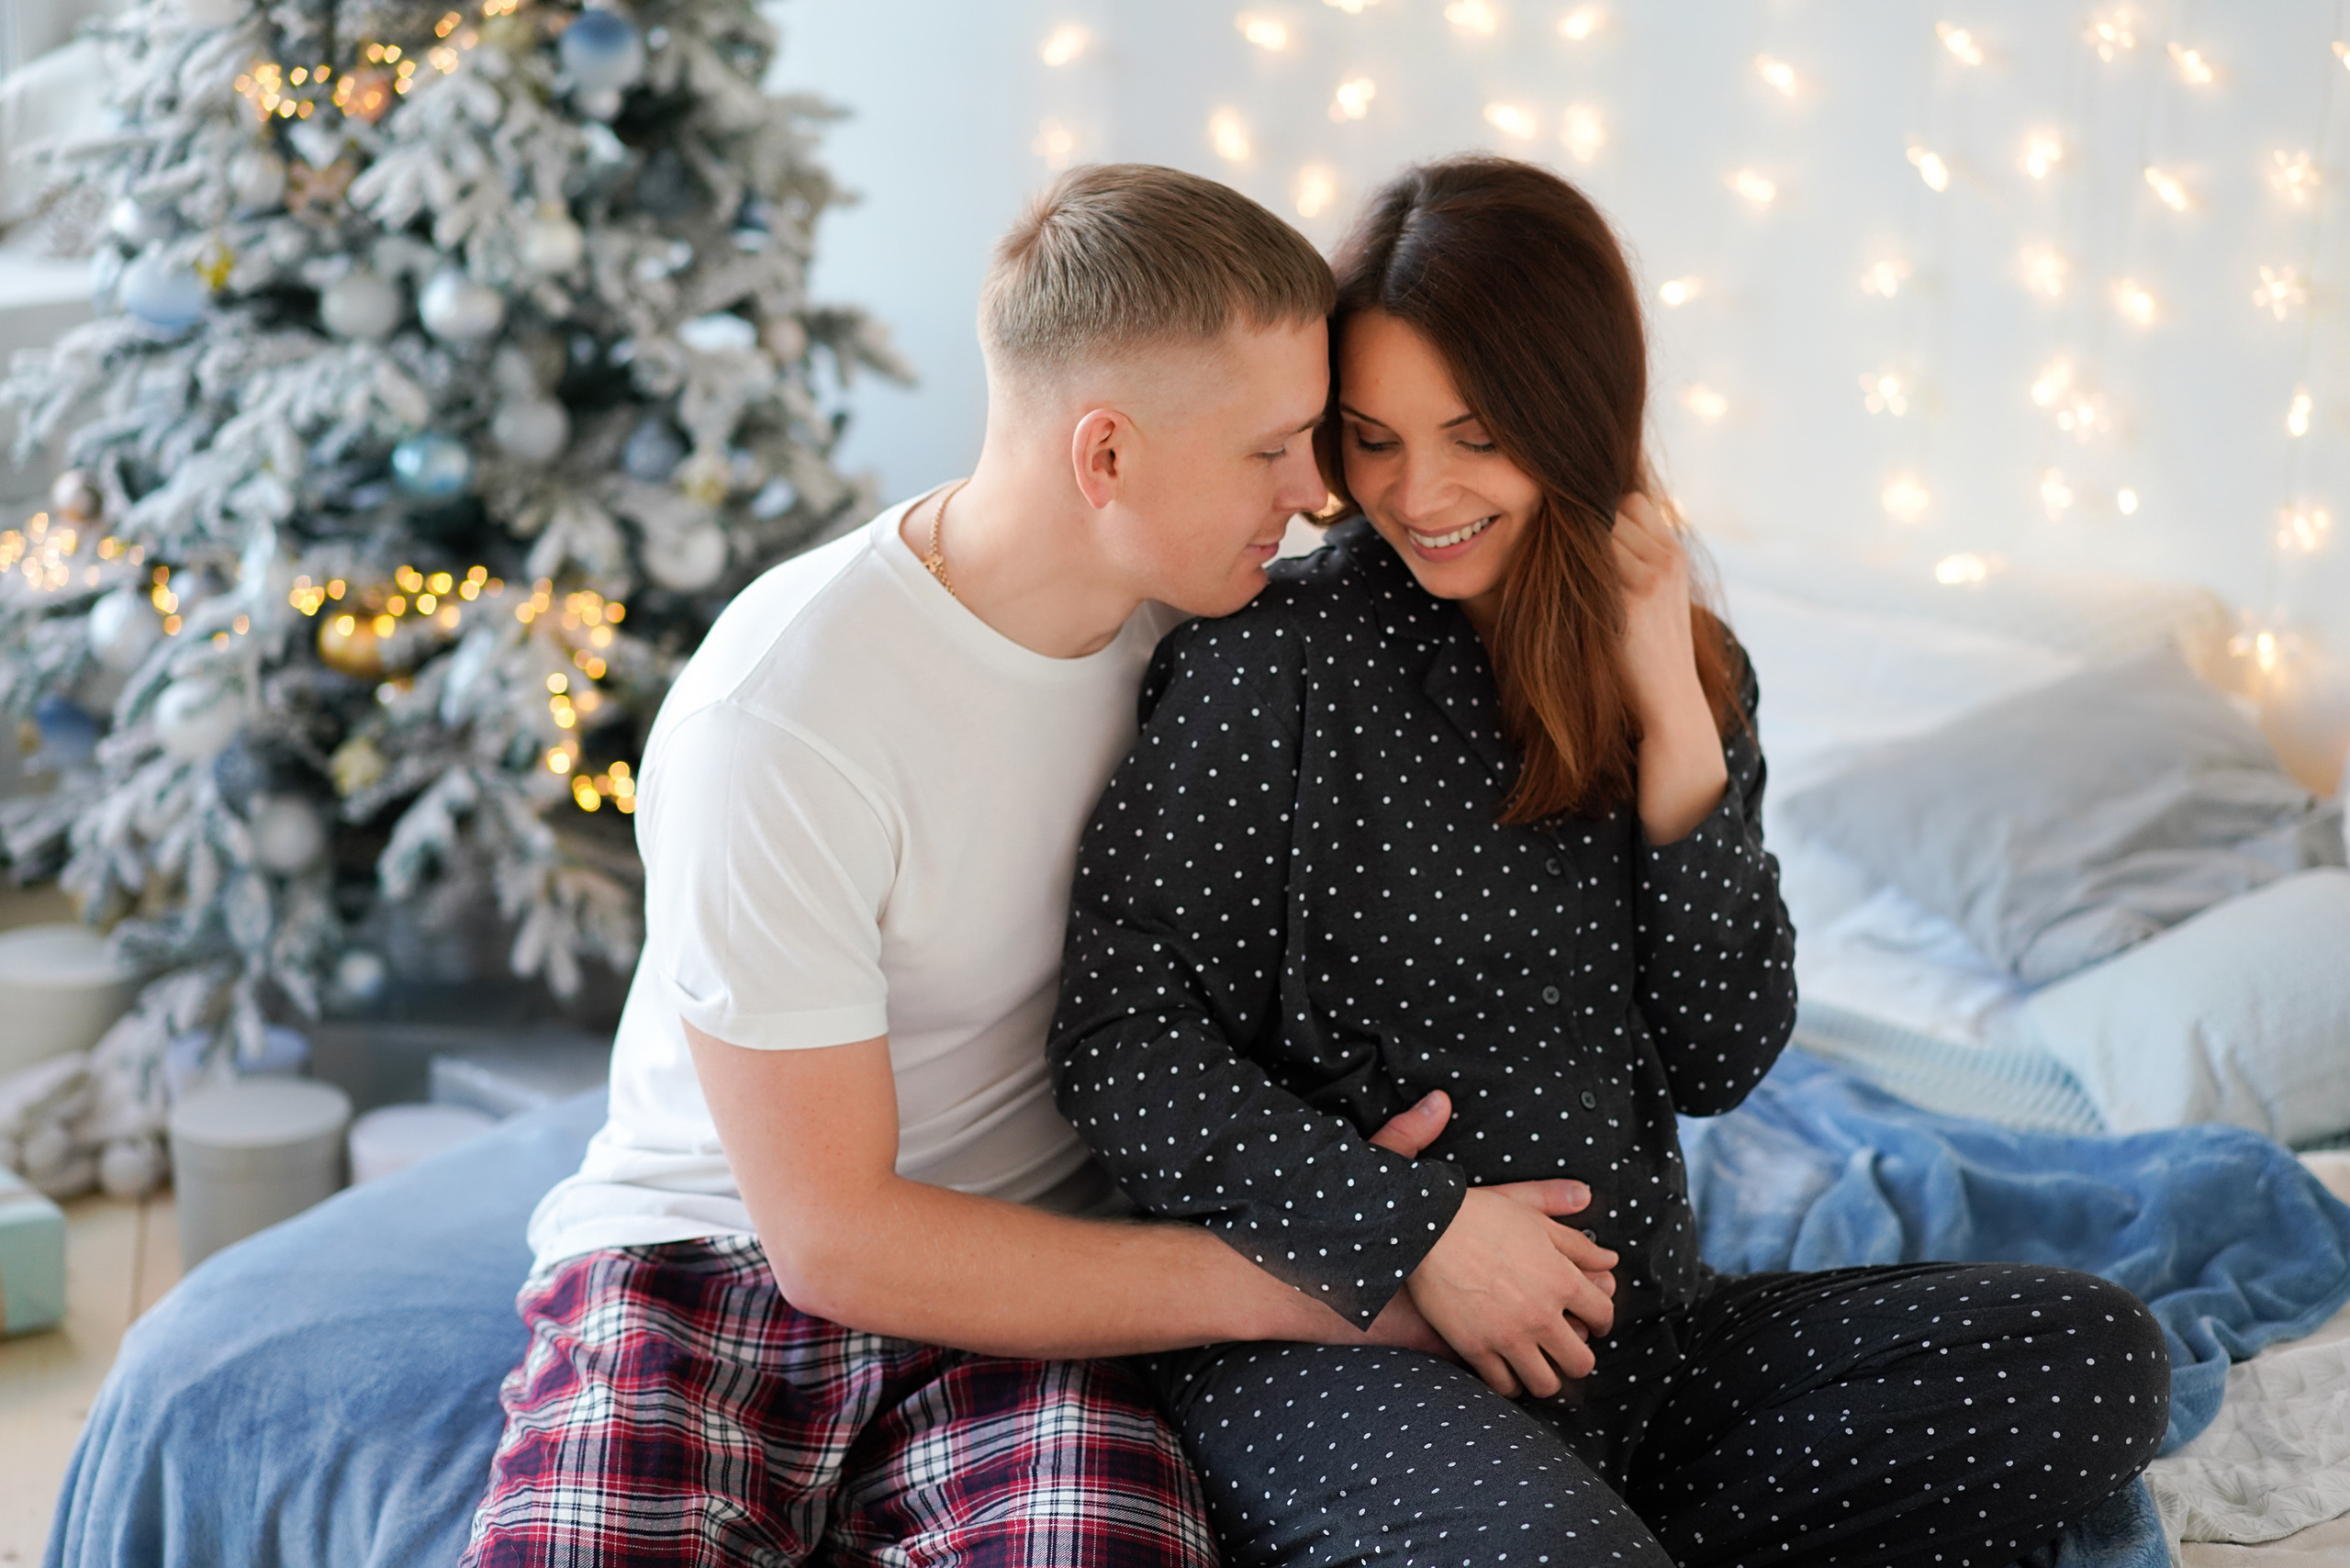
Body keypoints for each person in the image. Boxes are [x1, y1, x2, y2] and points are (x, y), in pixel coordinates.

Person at [459, 162, 1597, 1568]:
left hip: (1039, 1286)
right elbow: (832, 1244)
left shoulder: (1223, 651)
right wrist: (1338, 1276)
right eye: (1270, 449)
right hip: (715, 1261)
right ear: (1104, 457)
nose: (1316, 497)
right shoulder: (785, 715)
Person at [1050, 155, 2173, 1567]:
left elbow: (1720, 1055)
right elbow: (1122, 1046)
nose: (1419, 492)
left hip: (1638, 1344)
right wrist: (1422, 1228)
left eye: (1475, 436)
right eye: (1374, 440)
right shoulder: (1270, 662)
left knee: (2094, 1358)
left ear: (1576, 417)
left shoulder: (1682, 670)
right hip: (1355, 1339)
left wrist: (1673, 718)